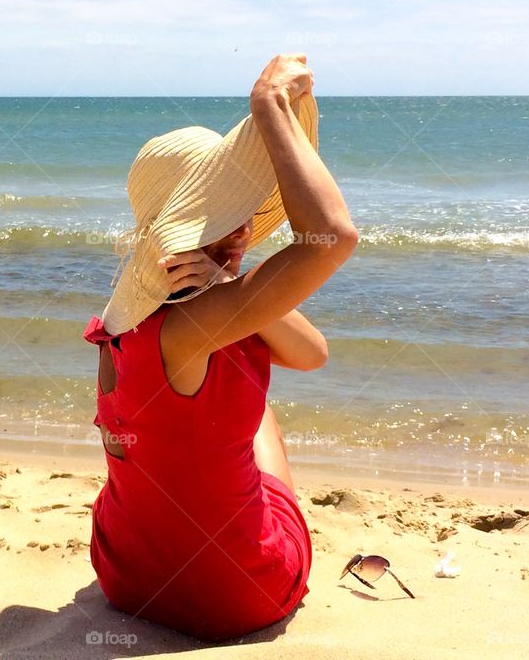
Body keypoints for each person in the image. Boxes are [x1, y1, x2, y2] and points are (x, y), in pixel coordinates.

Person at [82, 54, 357, 641]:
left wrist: (226, 282)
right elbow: (332, 238)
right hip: (239, 591)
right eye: (226, 216)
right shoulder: (196, 327)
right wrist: (268, 110)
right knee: (258, 404)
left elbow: (312, 352)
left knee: (226, 391)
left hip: (126, 577)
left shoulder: (119, 324)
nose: (244, 231)